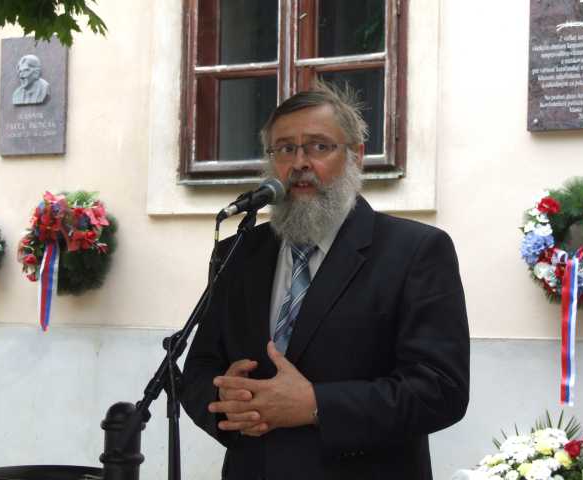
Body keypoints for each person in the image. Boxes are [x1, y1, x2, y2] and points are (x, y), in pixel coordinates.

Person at [181, 82, 470, 480]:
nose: (300, 162)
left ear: (356, 156)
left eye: (319, 146)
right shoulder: (238, 252)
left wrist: (316, 404)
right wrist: (224, 400)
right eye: (285, 149)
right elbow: (199, 367)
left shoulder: (415, 251)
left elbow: (441, 390)